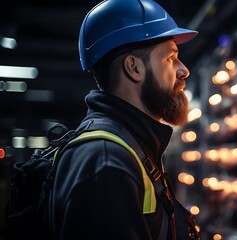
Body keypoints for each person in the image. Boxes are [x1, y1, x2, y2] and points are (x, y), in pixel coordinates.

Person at [47, 0, 199, 239]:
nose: (183, 70)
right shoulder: (106, 162)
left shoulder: (129, 147)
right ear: (134, 68)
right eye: (171, 58)